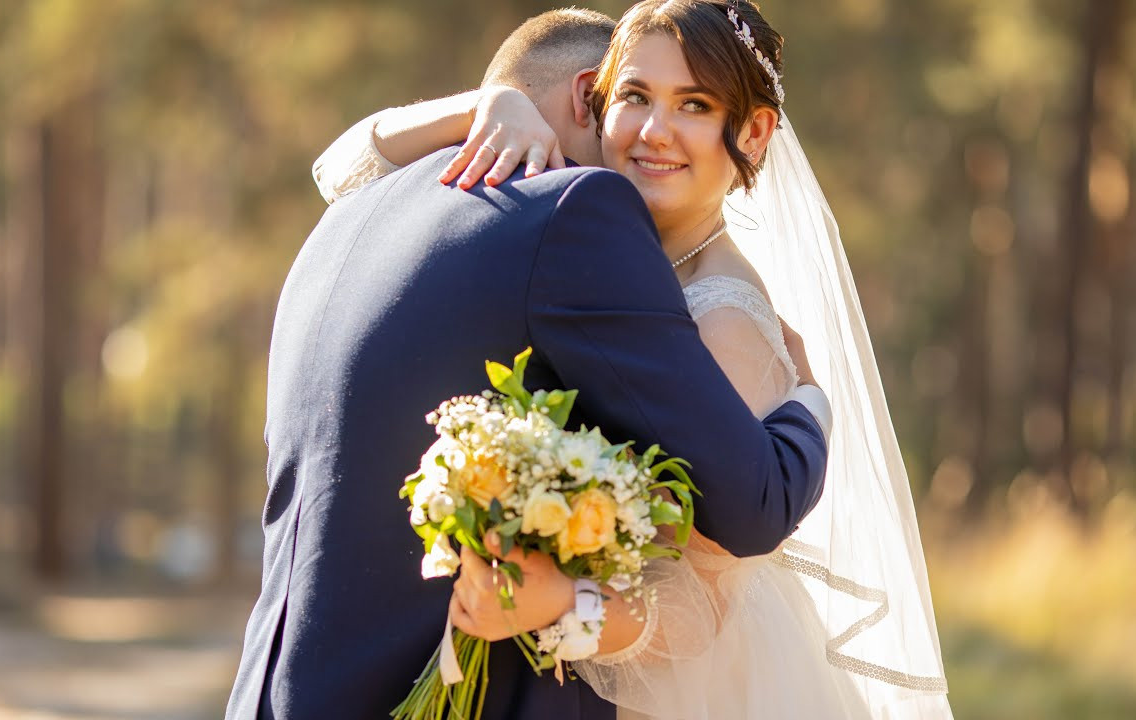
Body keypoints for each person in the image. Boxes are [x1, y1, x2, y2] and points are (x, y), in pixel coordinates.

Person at [311, 1, 954, 718]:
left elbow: (704, 604)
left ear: (753, 131)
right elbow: (343, 169)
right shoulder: (592, 259)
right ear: (596, 101)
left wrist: (560, 605)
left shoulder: (724, 316)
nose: (655, 131)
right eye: (636, 98)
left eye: (695, 105)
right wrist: (491, 105)